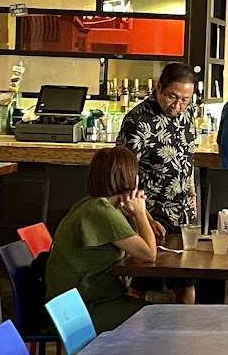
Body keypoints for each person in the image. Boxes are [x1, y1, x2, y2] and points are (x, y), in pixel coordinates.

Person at [45, 145, 166, 332]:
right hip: (82, 311)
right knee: (160, 318)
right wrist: (140, 213)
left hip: (78, 303)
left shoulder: (93, 204)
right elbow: (148, 254)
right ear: (128, 177)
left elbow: (135, 245)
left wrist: (135, 214)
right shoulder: (101, 212)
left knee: (157, 314)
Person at [117, 61, 200, 240]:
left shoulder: (188, 113)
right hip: (152, 212)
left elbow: (188, 155)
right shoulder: (137, 121)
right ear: (159, 87)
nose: (177, 106)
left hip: (184, 211)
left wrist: (192, 196)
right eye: (172, 96)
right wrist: (144, 218)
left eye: (184, 100)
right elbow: (124, 176)